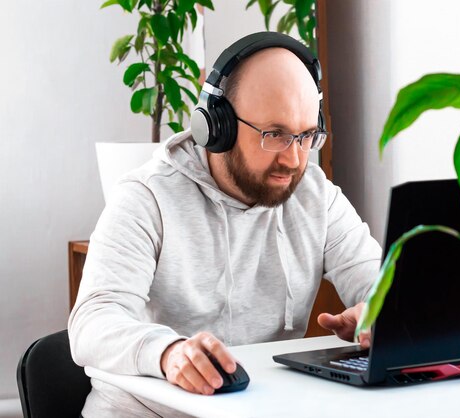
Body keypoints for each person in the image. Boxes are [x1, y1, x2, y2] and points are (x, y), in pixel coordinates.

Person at [68, 32, 381, 417]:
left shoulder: (315, 196)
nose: (294, 159)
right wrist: (167, 352)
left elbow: (382, 285)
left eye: (305, 136)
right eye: (275, 135)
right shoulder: (145, 197)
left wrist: (378, 311)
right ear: (217, 126)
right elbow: (93, 323)